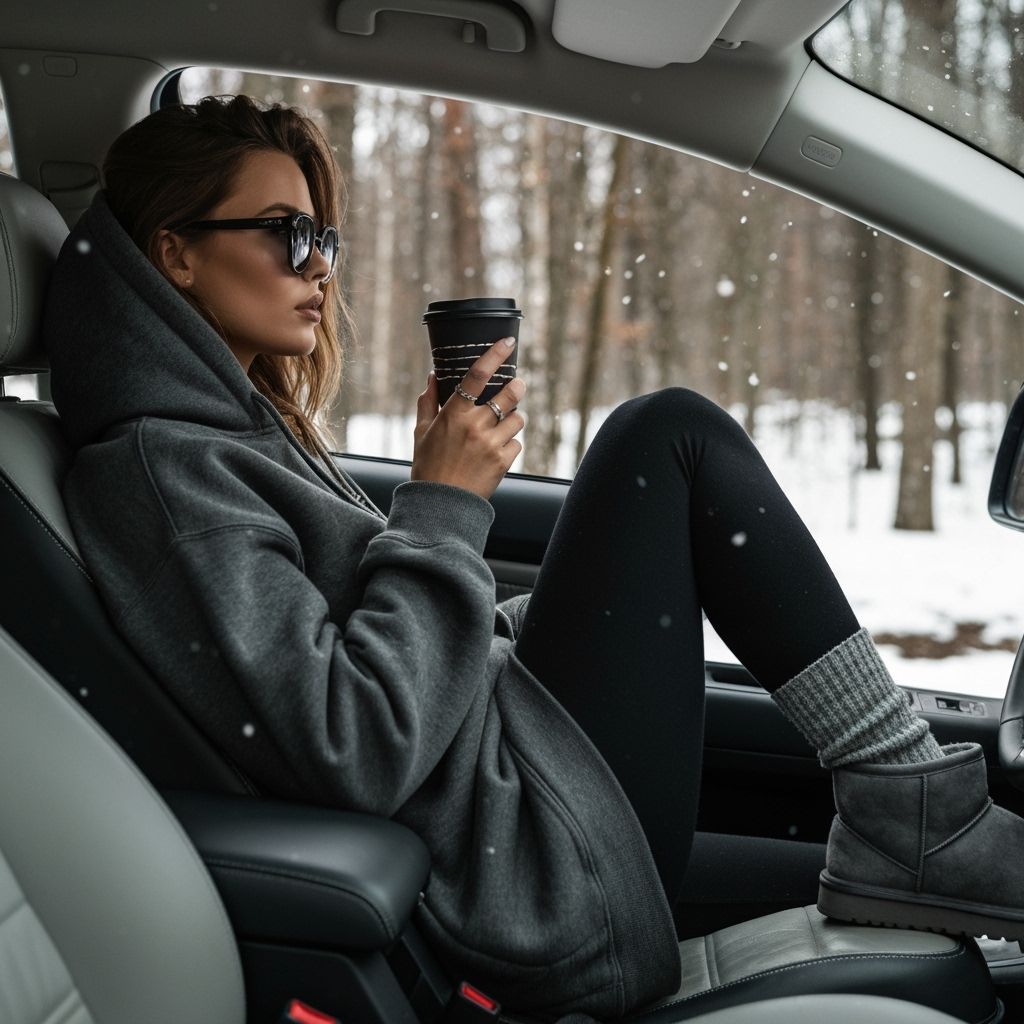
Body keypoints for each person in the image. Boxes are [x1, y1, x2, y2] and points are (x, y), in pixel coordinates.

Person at [43, 95, 1024, 1019]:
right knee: (664, 439)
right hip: (508, 866)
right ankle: (913, 806)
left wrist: (526, 607)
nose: (319, 269)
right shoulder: (164, 473)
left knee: (812, 862)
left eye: (324, 239)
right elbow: (354, 744)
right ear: (175, 252)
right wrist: (442, 504)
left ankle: (911, 820)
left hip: (511, 802)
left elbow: (359, 646)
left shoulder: (231, 435)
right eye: (287, 234)